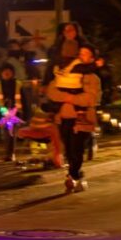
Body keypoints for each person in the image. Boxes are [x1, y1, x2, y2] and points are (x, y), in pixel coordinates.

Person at [47, 43, 100, 193]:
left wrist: (68, 98)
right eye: (80, 52)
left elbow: (90, 99)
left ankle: (73, 177)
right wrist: (71, 97)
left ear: (92, 57)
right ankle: (76, 175)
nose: (81, 55)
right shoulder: (67, 71)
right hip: (63, 117)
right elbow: (52, 92)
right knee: (69, 149)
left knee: (77, 149)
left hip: (81, 119)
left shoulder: (92, 77)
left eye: (85, 53)